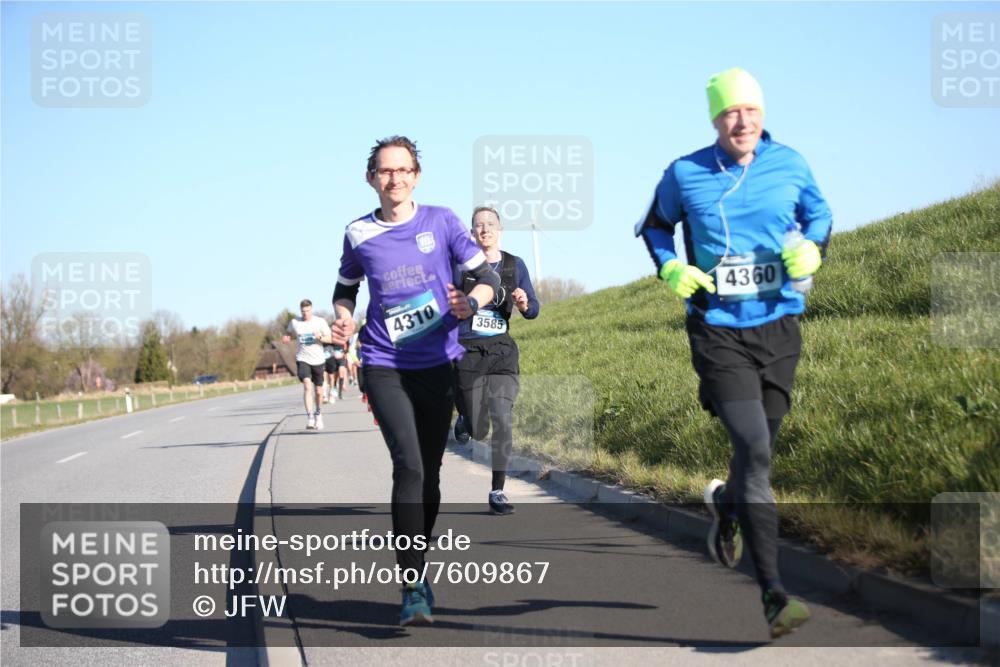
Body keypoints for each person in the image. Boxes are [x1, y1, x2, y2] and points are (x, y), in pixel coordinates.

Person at [635, 67, 831, 639]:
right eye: (729, 112)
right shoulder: (686, 172)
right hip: (717, 330)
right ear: (715, 119)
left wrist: (813, 249)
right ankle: (774, 595)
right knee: (754, 450)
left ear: (762, 114)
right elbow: (654, 227)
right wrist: (671, 266)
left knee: (757, 451)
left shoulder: (790, 164)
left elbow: (820, 215)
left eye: (750, 110)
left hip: (779, 327)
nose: (742, 121)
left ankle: (726, 504)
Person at [329, 136, 500, 626]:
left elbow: (488, 278)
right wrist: (343, 316)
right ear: (371, 178)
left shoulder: (442, 221)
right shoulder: (358, 232)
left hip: (437, 363)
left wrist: (472, 302)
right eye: (385, 171)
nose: (395, 178)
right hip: (383, 362)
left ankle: (417, 563)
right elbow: (345, 289)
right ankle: (411, 584)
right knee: (408, 465)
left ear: (416, 176)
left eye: (403, 170)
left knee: (430, 474)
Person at [452, 206, 539, 516]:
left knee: (502, 417)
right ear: (472, 233)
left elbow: (533, 309)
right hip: (467, 351)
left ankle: (497, 490)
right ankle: (465, 417)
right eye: (478, 225)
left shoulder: (515, 265)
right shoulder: (460, 266)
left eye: (490, 224)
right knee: (478, 430)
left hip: (502, 350)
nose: (485, 229)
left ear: (500, 230)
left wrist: (524, 303)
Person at [282, 299, 333, 430]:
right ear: (300, 311)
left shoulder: (320, 322)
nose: (305, 313)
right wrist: (286, 337)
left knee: (319, 391)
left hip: (318, 359)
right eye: (303, 311)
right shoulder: (295, 322)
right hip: (302, 358)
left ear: (312, 309)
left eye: (308, 311)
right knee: (306, 385)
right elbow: (288, 332)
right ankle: (310, 417)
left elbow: (330, 338)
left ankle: (318, 414)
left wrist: (319, 337)